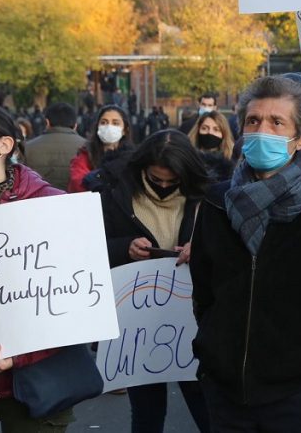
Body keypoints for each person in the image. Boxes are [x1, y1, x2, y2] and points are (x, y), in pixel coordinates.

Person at [189, 76, 301, 430]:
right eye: (253, 121)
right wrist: (212, 357)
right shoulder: (216, 202)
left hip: (300, 397)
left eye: (277, 122)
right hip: (226, 395)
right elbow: (204, 291)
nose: (263, 130)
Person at [98, 129, 211, 433]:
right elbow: (92, 245)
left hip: (194, 317)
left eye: (171, 182)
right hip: (138, 322)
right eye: (155, 179)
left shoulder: (209, 196)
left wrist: (200, 247)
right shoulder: (115, 193)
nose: (162, 187)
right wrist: (124, 247)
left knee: (206, 406)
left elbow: (228, 249)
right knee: (146, 412)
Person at [0, 105, 77, 431]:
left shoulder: (49, 206)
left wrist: (20, 356)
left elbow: (72, 303)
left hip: (31, 382)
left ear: (4, 146)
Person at [68, 104, 134, 192]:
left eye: (115, 123)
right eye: (104, 122)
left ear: (125, 130)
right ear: (97, 127)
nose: (109, 127)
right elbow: (78, 183)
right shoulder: (85, 155)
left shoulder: (132, 158)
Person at [23, 101, 86, 191]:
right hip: (77, 202)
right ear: (75, 125)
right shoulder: (88, 147)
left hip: (39, 202)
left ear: (47, 122)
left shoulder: (28, 148)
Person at [186, 109, 235, 181]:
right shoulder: (186, 158)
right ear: (198, 130)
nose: (210, 132)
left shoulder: (231, 165)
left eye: (216, 129)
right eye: (204, 128)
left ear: (224, 134)